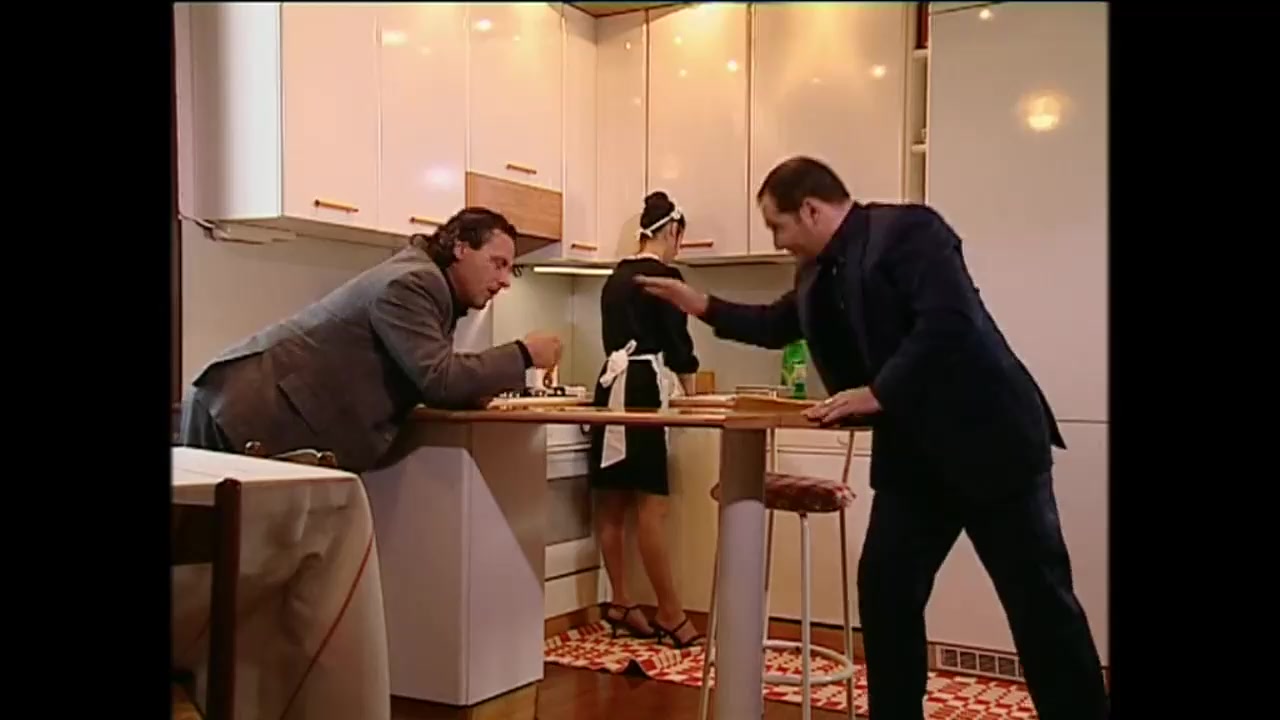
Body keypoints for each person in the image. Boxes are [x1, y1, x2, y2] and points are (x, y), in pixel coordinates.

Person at [637, 157, 1108, 719]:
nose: (777, 241)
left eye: (777, 226)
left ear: (810, 210)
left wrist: (878, 392)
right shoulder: (813, 274)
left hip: (991, 444)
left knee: (1041, 607)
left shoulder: (909, 232)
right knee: (887, 594)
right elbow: (774, 325)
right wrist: (701, 305)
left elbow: (949, 321)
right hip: (915, 462)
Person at [178, 207, 563, 473]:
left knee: (240, 559)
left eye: (510, 269)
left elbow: (431, 376)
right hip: (243, 414)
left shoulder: (425, 282)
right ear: (461, 248)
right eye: (498, 264)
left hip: (247, 412)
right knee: (216, 558)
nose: (504, 280)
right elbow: (440, 379)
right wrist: (524, 353)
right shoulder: (415, 282)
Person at [588, 191, 704, 649]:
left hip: (609, 387)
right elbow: (678, 343)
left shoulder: (614, 279)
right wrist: (692, 392)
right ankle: (670, 613)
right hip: (641, 389)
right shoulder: (665, 278)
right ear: (672, 231)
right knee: (652, 505)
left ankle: (621, 601)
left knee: (612, 503)